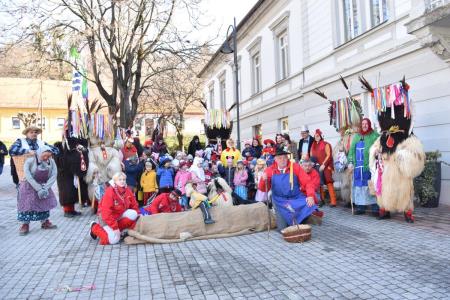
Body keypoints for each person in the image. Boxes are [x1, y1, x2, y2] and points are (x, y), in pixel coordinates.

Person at [258, 148, 320, 232]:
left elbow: (308, 183)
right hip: (279, 201)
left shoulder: (295, 167)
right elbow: (263, 189)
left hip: (295, 198)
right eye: (280, 158)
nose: (283, 160)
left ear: (287, 158)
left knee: (309, 203)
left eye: (284, 157)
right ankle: (292, 221)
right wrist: (263, 180)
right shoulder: (270, 170)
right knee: (282, 229)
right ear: (275, 159)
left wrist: (310, 196)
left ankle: (303, 219)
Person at [89, 172, 140, 245]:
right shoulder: (110, 192)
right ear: (115, 181)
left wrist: (138, 214)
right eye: (120, 180)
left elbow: (134, 204)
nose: (122, 181)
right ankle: (94, 227)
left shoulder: (127, 189)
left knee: (134, 214)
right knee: (113, 240)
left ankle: (119, 229)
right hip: (106, 219)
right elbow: (106, 214)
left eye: (124, 179)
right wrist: (115, 228)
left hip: (118, 214)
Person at [17, 147, 58, 235]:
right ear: (40, 153)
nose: (47, 158)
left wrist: (45, 188)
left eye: (49, 156)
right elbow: (28, 176)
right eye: (45, 155)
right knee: (27, 205)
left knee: (44, 203)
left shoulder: (51, 162)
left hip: (44, 186)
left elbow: (54, 175)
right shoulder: (30, 161)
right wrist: (38, 188)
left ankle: (44, 222)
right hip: (29, 186)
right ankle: (25, 225)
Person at [347, 118, 380, 215]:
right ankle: (361, 208)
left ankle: (375, 209)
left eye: (366, 124)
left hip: (369, 166)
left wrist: (378, 151)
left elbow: (379, 145)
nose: (364, 125)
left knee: (371, 186)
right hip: (358, 167)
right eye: (363, 124)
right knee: (359, 187)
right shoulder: (357, 136)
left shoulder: (374, 135)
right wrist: (350, 162)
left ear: (369, 124)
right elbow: (352, 150)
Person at [310, 129, 337, 207]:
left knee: (329, 182)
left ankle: (333, 201)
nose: (316, 137)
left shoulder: (326, 144)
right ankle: (321, 200)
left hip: (325, 166)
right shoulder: (313, 145)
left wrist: (324, 164)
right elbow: (311, 156)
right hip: (316, 167)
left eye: (318, 136)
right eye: (315, 136)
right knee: (319, 183)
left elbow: (329, 155)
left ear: (321, 136)